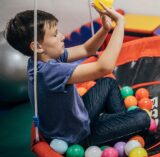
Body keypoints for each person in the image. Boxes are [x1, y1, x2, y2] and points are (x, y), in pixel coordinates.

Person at [5, 2, 151, 146]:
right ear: (37, 46)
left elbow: (86, 49)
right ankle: (118, 127)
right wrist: (120, 24)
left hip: (79, 117)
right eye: (55, 34)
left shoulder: (41, 59)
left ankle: (117, 124)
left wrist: (106, 28)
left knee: (108, 82)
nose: (62, 36)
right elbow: (105, 67)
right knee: (143, 118)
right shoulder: (48, 72)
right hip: (78, 136)